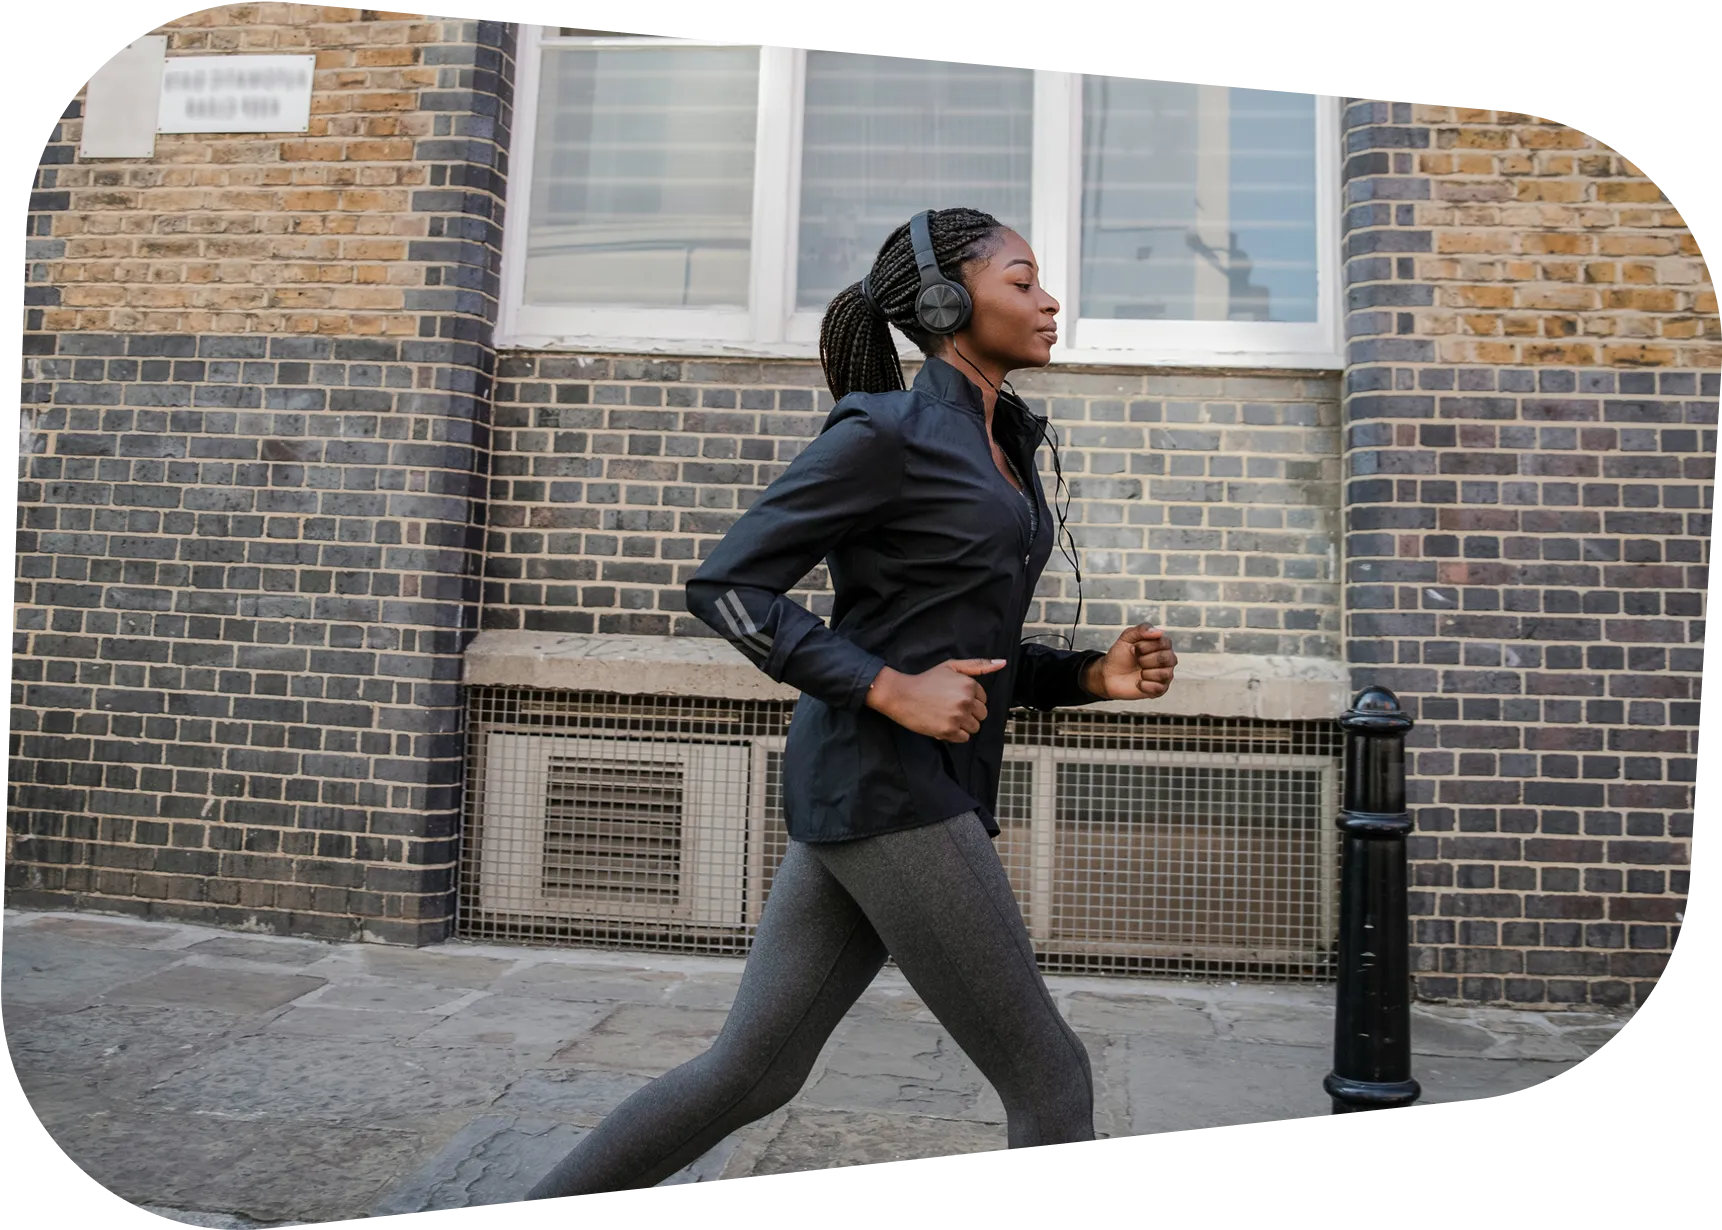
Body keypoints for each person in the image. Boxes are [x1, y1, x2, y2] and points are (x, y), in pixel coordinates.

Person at [526, 207, 1178, 1201]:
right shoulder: (887, 432)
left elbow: (959, 648)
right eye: (1022, 281)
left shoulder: (1003, 444)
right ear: (948, 304)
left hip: (890, 787)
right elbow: (727, 588)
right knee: (1052, 1078)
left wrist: (1090, 676)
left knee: (753, 1071)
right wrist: (886, 689)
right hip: (890, 788)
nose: (1049, 301)